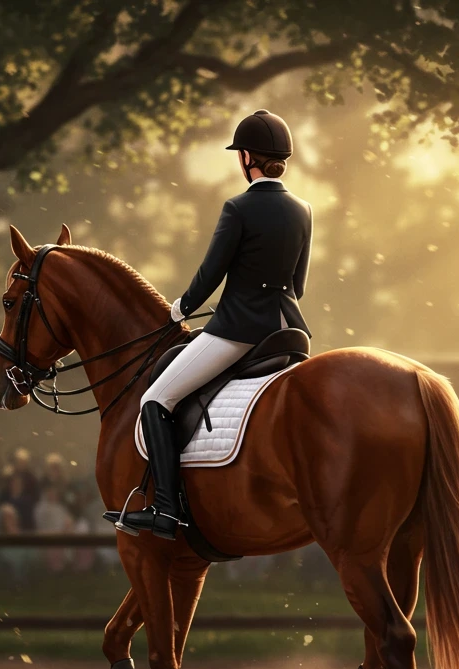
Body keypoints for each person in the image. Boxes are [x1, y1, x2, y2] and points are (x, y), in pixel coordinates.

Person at [113, 109, 312, 539]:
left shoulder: (238, 208)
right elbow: (297, 283)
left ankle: (166, 510)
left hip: (239, 332)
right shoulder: (303, 209)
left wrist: (179, 309)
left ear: (246, 159)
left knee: (155, 398)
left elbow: (211, 272)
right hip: (288, 332)